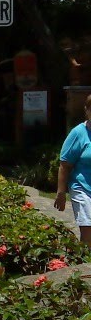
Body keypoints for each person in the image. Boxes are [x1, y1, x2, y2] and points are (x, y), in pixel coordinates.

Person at [55, 94, 91, 244]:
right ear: (87, 110)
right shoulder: (78, 133)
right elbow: (65, 164)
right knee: (88, 228)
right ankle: (86, 264)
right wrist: (61, 193)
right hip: (82, 187)